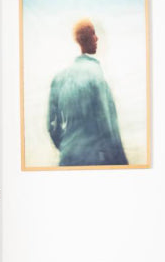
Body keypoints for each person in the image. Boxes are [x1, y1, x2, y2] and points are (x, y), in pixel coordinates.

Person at [47, 19, 129, 166]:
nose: (97, 38)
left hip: (67, 158)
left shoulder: (58, 78)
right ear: (87, 38)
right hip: (95, 159)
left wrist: (67, 147)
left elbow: (52, 126)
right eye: (93, 34)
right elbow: (108, 128)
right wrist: (121, 164)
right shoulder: (96, 76)